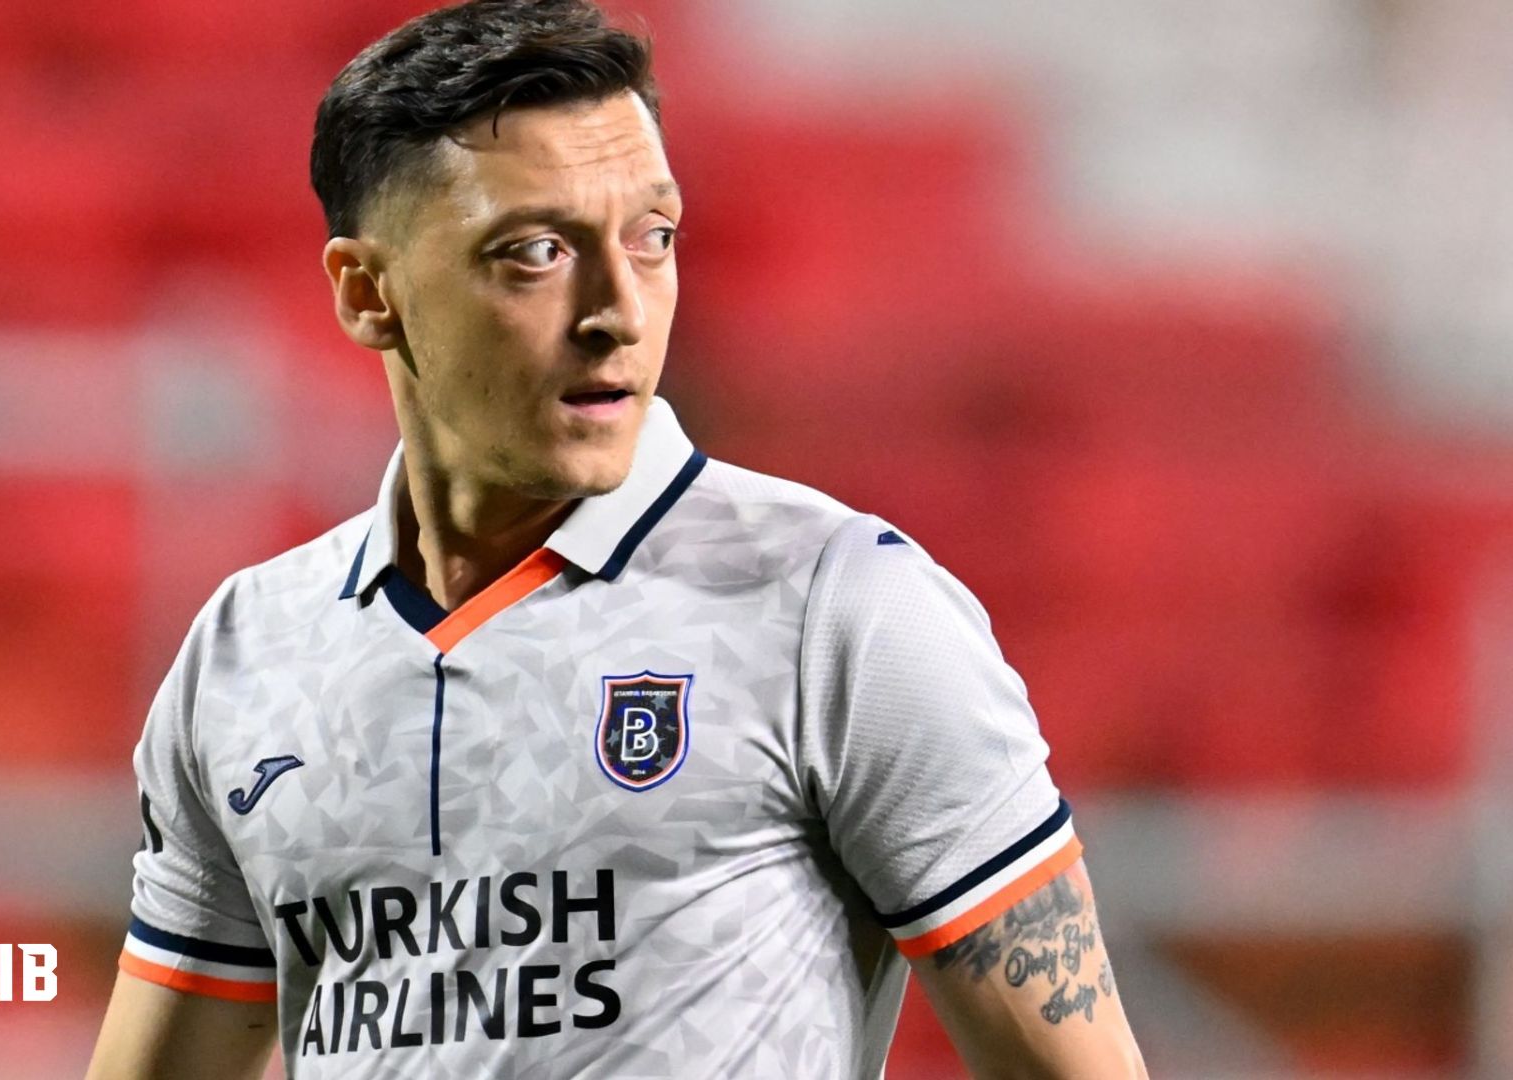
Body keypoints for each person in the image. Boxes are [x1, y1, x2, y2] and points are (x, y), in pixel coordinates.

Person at [87, 0, 1148, 1076]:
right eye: (537, 251)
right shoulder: (247, 652)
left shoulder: (836, 609)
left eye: (653, 238)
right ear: (370, 294)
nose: (620, 311)